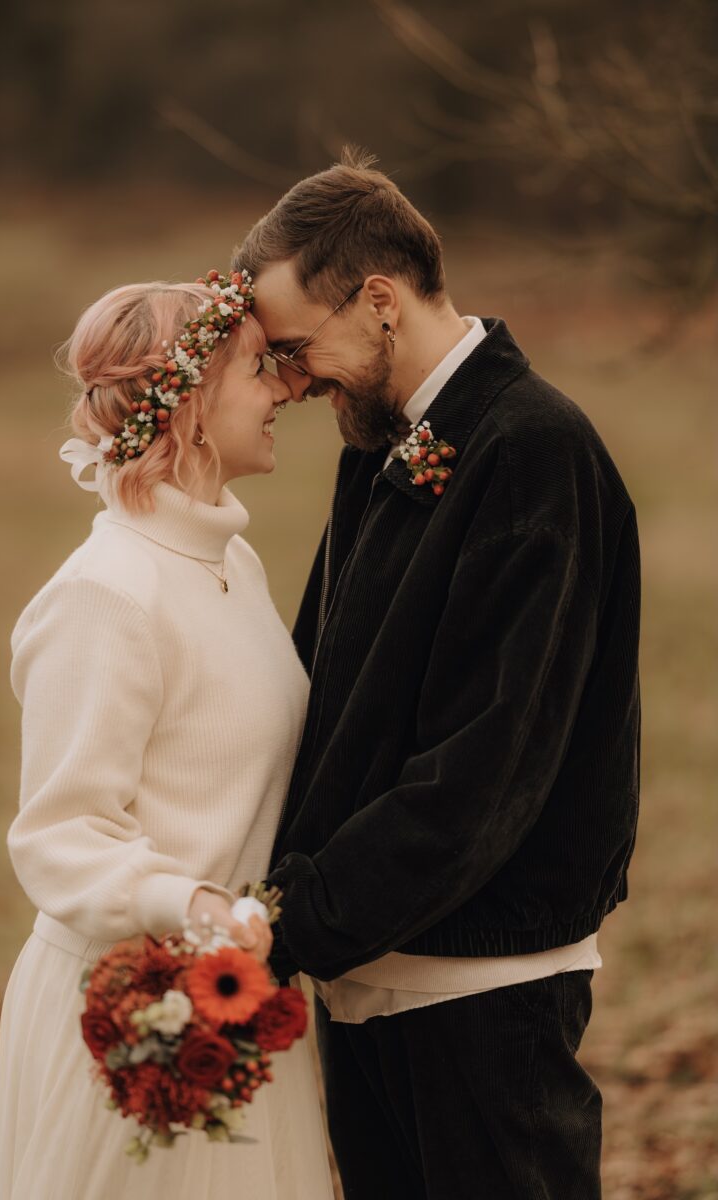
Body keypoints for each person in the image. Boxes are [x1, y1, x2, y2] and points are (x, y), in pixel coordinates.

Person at [232, 150, 641, 1200]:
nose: (289, 380)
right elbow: (329, 692)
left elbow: (485, 768)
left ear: (377, 300)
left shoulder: (535, 450)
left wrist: (287, 922)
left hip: (479, 986)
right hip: (368, 971)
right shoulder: (380, 446)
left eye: (294, 347)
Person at [0, 277, 335, 1199]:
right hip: (135, 1017)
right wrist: (193, 906)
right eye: (258, 370)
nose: (283, 392)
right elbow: (60, 838)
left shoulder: (231, 559)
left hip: (232, 1000)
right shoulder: (105, 594)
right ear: (192, 400)